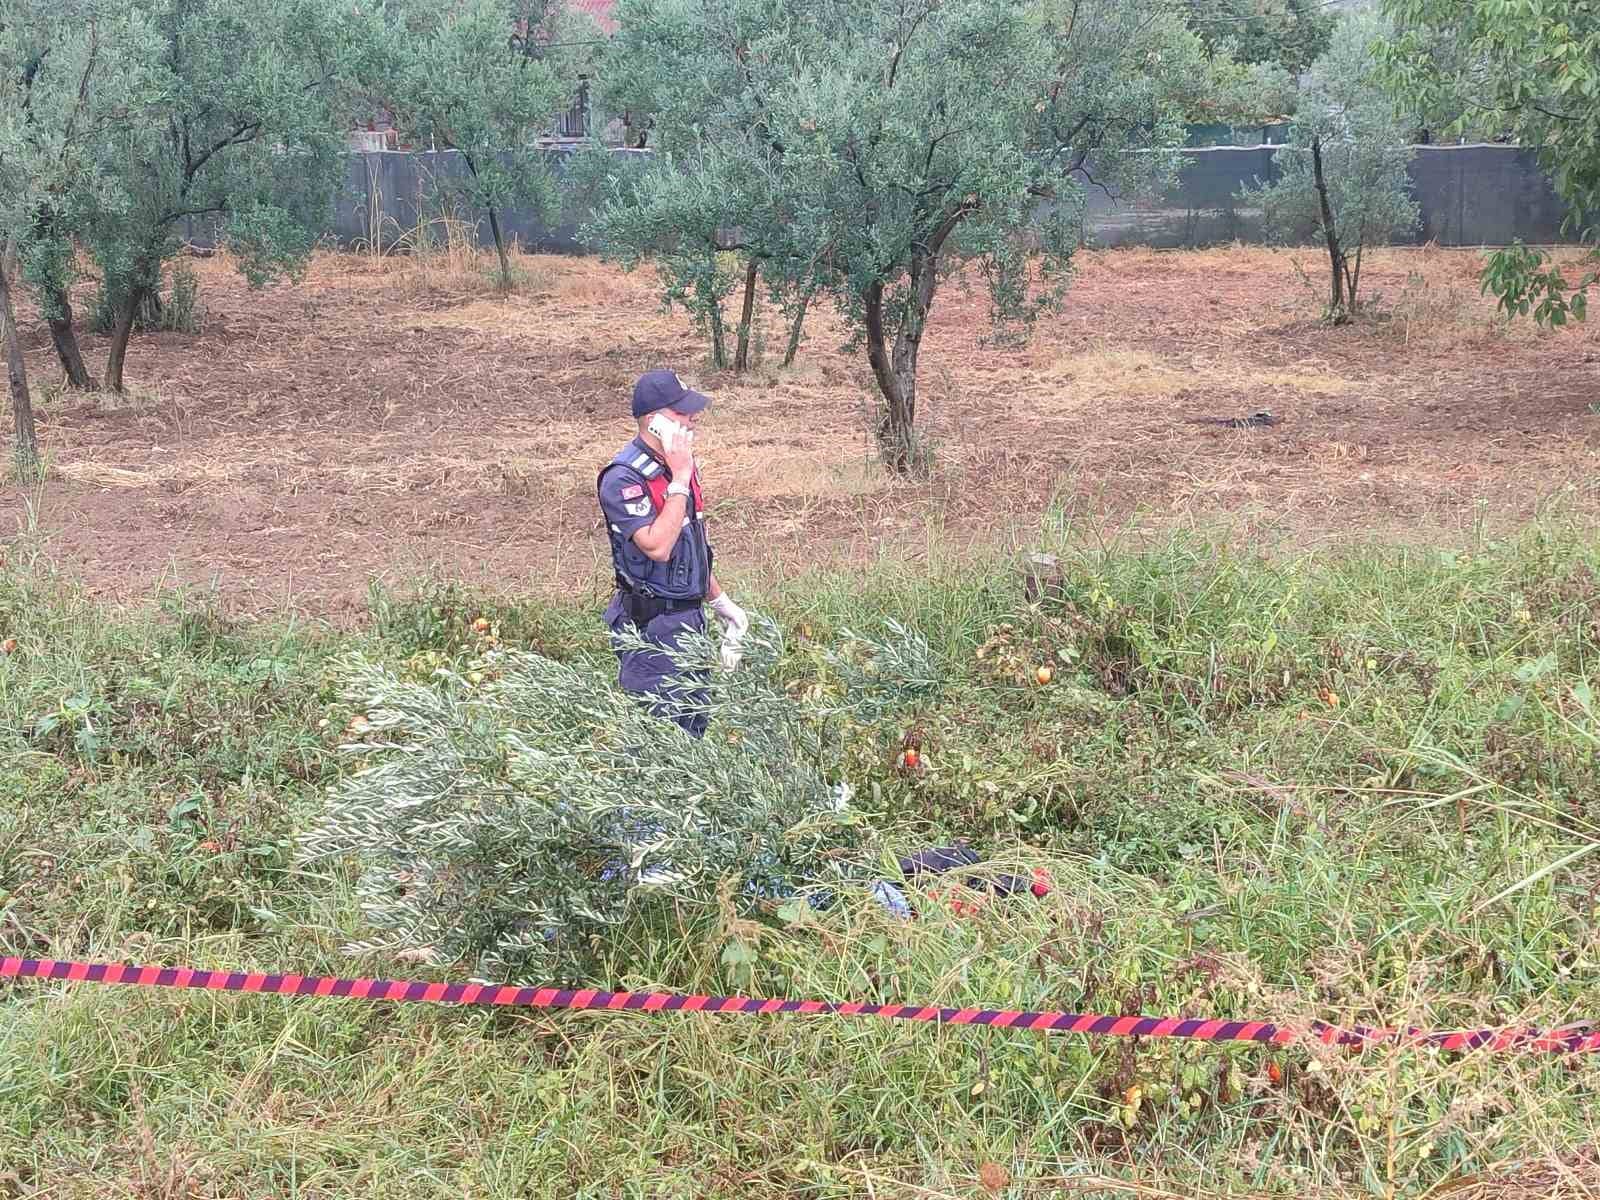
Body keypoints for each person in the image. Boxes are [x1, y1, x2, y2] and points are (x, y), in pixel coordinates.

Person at [597, 370, 750, 737]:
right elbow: (658, 546)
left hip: (688, 620)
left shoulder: (676, 466)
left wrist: (720, 601)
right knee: (659, 740)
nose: (692, 419)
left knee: (694, 730)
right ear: (655, 422)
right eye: (681, 414)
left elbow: (690, 543)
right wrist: (680, 478)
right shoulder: (624, 478)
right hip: (652, 627)